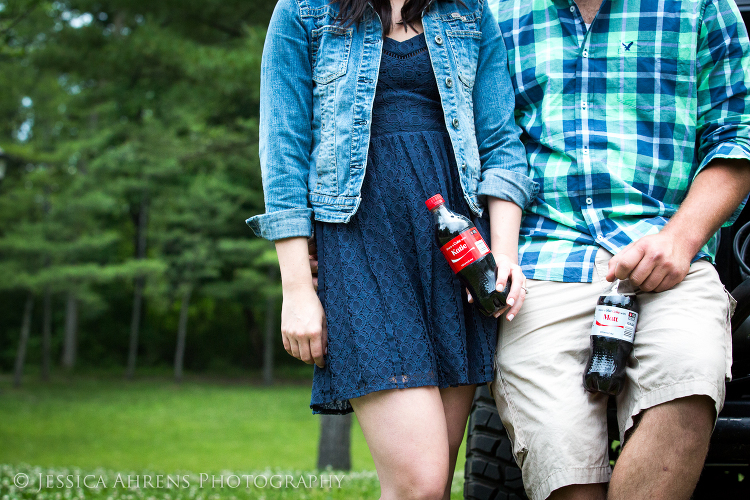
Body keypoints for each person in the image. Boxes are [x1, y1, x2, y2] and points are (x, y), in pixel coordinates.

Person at [246, 0, 537, 498]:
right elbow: (284, 150)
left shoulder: (468, 12)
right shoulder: (304, 11)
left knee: (433, 483)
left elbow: (501, 143)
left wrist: (503, 254)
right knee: (418, 484)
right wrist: (296, 287)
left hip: (457, 253)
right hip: (361, 250)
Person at [486, 0, 750, 498]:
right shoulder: (495, 13)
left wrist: (680, 238)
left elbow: (737, 135)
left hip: (669, 257)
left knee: (688, 373)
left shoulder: (702, 7)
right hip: (540, 266)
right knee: (556, 445)